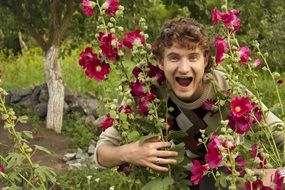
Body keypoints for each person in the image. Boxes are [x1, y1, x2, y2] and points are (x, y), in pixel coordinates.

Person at [94, 18, 284, 189]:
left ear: (205, 60)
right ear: (160, 62)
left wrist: (278, 175)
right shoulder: (149, 94)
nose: (184, 69)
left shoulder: (226, 89)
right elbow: (102, 152)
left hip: (228, 179)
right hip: (181, 181)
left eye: (193, 57)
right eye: (174, 57)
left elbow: (279, 134)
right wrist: (129, 152)